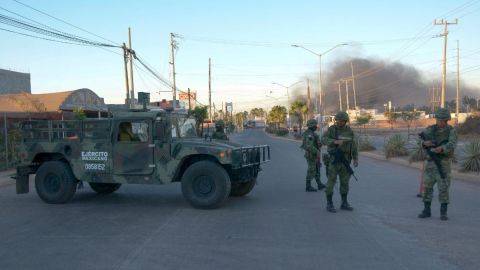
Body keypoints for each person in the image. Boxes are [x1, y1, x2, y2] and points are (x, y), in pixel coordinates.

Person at [418, 108, 457, 221]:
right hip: (430, 163)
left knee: (443, 188)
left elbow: (452, 144)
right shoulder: (430, 129)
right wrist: (424, 143)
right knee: (427, 188)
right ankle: (426, 210)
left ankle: (443, 212)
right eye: (439, 120)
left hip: (443, 164)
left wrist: (442, 149)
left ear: (447, 120)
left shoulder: (451, 131)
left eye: (442, 120)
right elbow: (418, 137)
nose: (440, 122)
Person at [321, 111, 358, 213]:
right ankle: (329, 203)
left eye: (342, 121)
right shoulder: (331, 130)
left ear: (345, 121)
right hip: (333, 159)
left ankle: (344, 203)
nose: (339, 122)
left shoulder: (349, 131)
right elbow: (323, 139)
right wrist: (334, 141)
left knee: (345, 183)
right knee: (331, 182)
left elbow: (353, 145)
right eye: (338, 120)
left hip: (345, 160)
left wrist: (355, 158)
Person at [301, 119, 325, 192]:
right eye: (315, 125)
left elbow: (317, 142)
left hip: (315, 155)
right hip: (312, 155)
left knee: (317, 169)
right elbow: (309, 146)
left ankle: (319, 184)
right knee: (311, 170)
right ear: (312, 126)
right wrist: (317, 152)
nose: (316, 126)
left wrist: (319, 144)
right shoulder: (309, 134)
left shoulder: (312, 133)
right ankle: (308, 186)